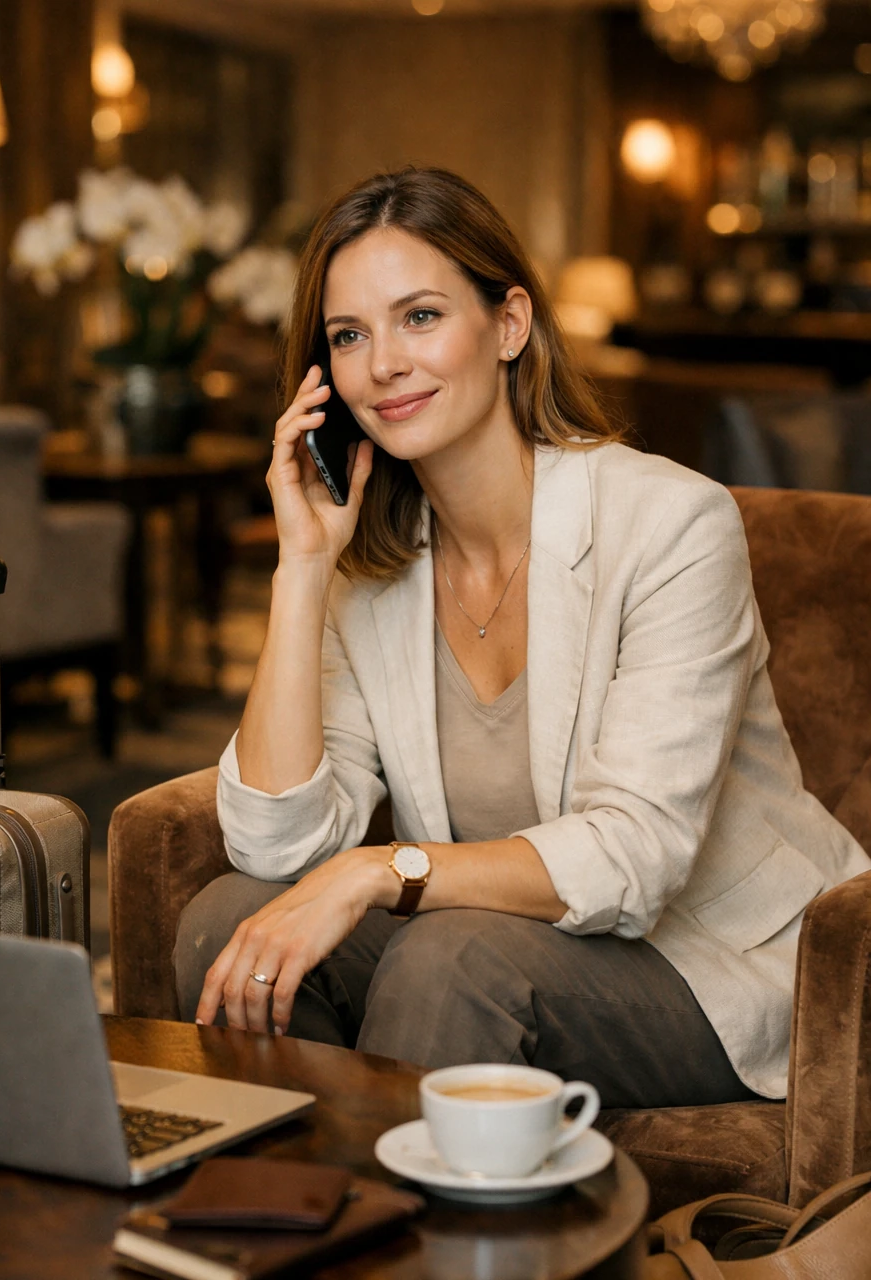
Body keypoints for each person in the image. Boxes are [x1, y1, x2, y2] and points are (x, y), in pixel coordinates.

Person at [174, 167, 869, 1108]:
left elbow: (635, 855)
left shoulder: (671, 525)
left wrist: (379, 871)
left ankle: (386, 1243)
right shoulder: (367, 570)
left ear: (509, 325)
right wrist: (302, 569)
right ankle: (301, 1208)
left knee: (453, 960)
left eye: (419, 316)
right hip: (493, 941)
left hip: (716, 964)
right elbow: (273, 845)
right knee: (229, 924)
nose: (382, 363)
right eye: (349, 335)